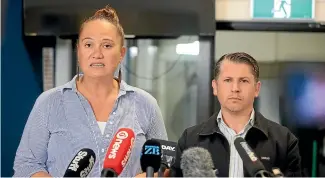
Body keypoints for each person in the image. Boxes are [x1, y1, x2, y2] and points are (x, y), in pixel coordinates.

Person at [13, 5, 168, 177]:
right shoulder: (49, 102)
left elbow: (164, 165)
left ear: (121, 53)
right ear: (78, 50)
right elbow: (27, 165)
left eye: (107, 45)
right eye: (88, 44)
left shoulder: (146, 104)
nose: (97, 53)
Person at [169, 52, 302, 177]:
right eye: (228, 80)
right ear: (215, 87)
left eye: (244, 81)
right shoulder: (191, 139)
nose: (235, 89)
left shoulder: (284, 140)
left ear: (257, 89)